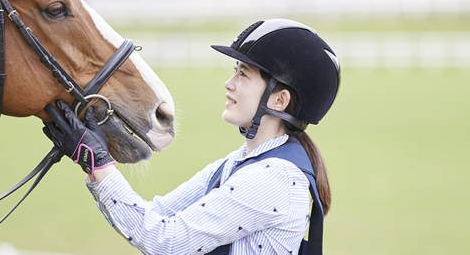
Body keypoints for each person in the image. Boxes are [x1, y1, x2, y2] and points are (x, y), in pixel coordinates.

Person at [43, 18, 341, 255]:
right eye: (234, 71)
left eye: (244, 75)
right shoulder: (243, 161)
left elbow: (165, 242)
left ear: (279, 100)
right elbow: (154, 215)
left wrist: (100, 164)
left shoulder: (272, 177)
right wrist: (95, 163)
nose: (229, 83)